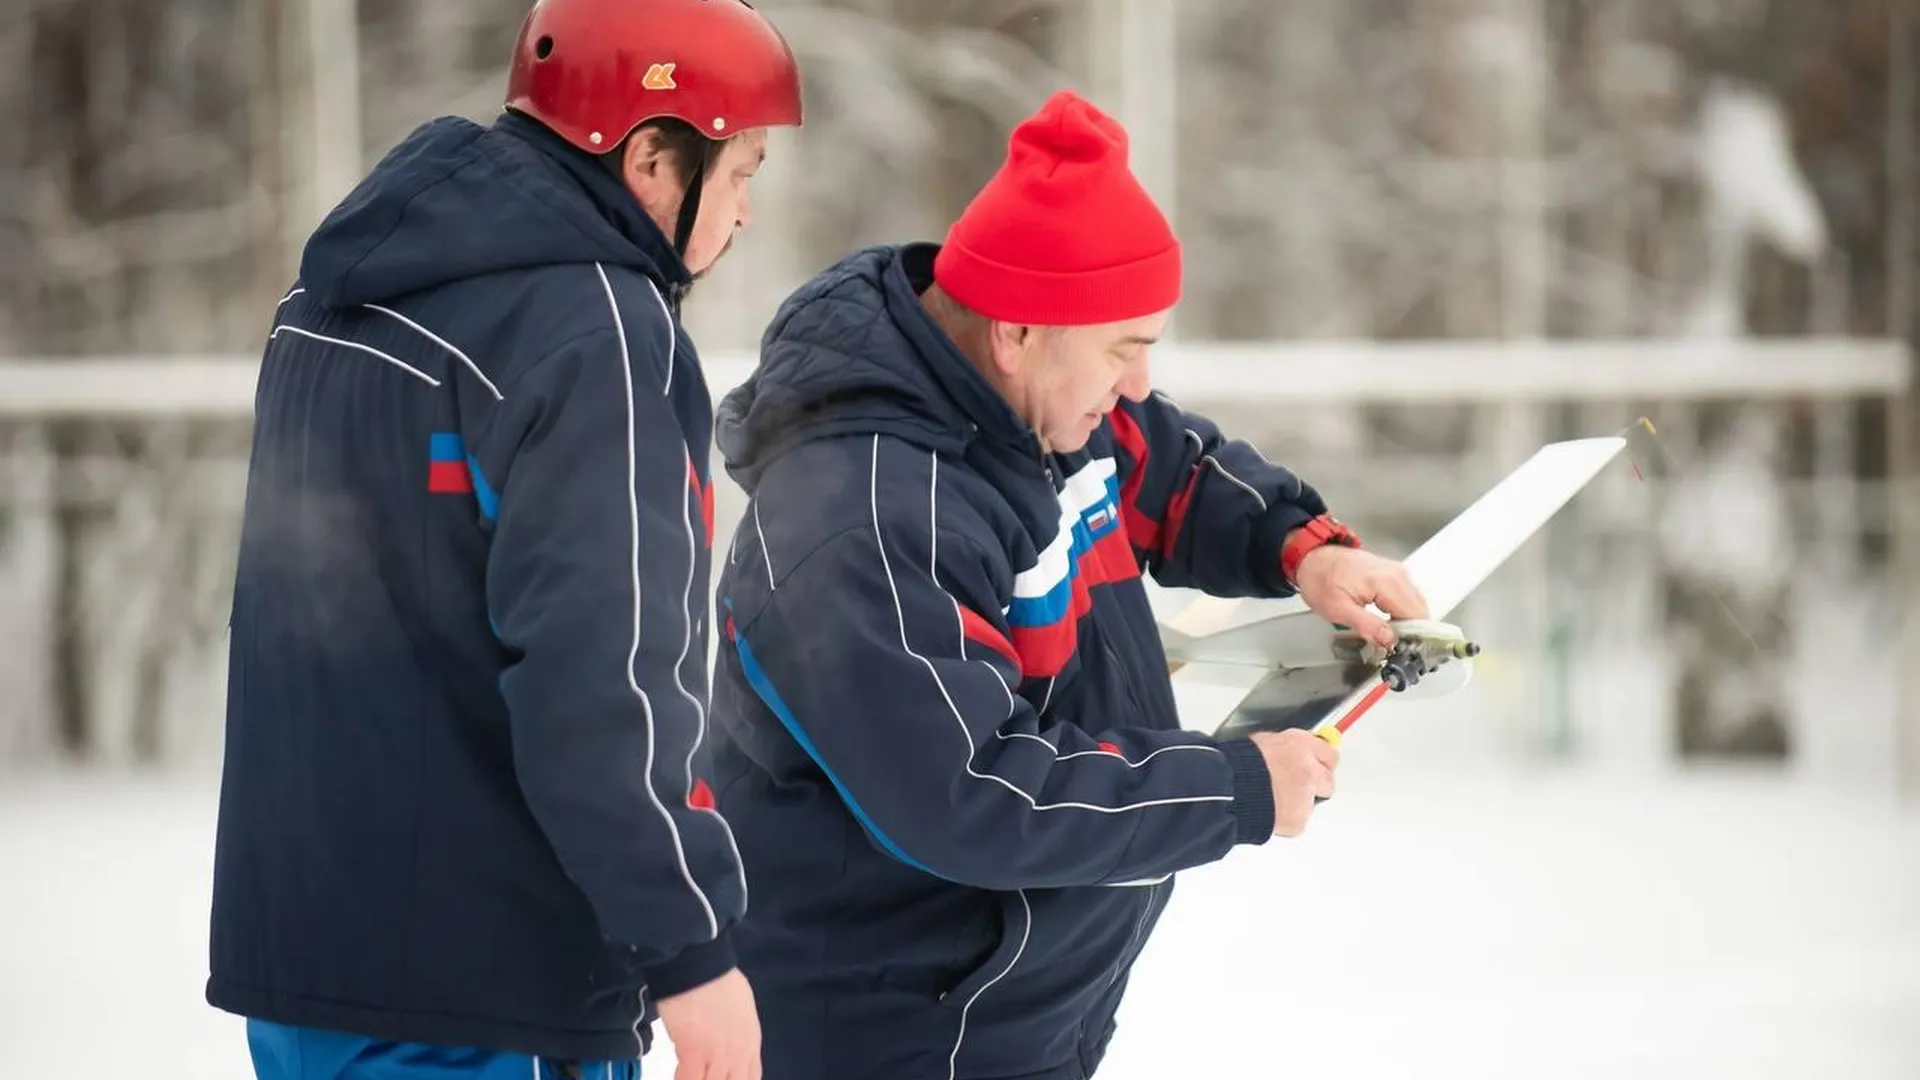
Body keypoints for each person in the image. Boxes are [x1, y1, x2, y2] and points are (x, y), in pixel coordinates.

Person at [706, 89, 1429, 1080]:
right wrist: (1233, 788)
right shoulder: (861, 520)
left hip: (1013, 1009)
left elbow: (1165, 466)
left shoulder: (1039, 409)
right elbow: (967, 792)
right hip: (888, 1033)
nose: (1136, 385)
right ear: (1016, 332)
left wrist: (1303, 549)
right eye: (1122, 349)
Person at [204, 2, 802, 1078]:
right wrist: (693, 952)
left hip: (300, 960)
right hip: (484, 993)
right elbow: (605, 681)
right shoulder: (598, 332)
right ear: (655, 157)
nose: (748, 211)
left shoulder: (339, 291)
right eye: (744, 169)